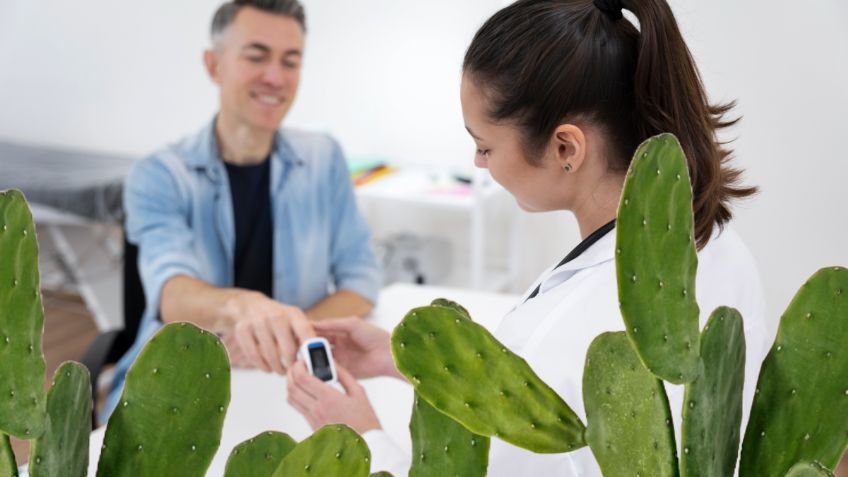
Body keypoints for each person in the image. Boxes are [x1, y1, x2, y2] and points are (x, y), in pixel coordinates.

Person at [284, 0, 770, 475]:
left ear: (566, 146)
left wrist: (361, 434)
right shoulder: (718, 243)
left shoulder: (554, 339)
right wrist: (413, 361)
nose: (478, 163)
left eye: (484, 146)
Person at [103, 0, 380, 422]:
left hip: (280, 382)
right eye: (256, 57)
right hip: (176, 385)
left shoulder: (323, 159)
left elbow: (360, 281)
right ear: (213, 65)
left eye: (291, 62)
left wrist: (278, 335)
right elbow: (171, 293)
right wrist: (244, 310)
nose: (275, 77)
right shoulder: (159, 174)